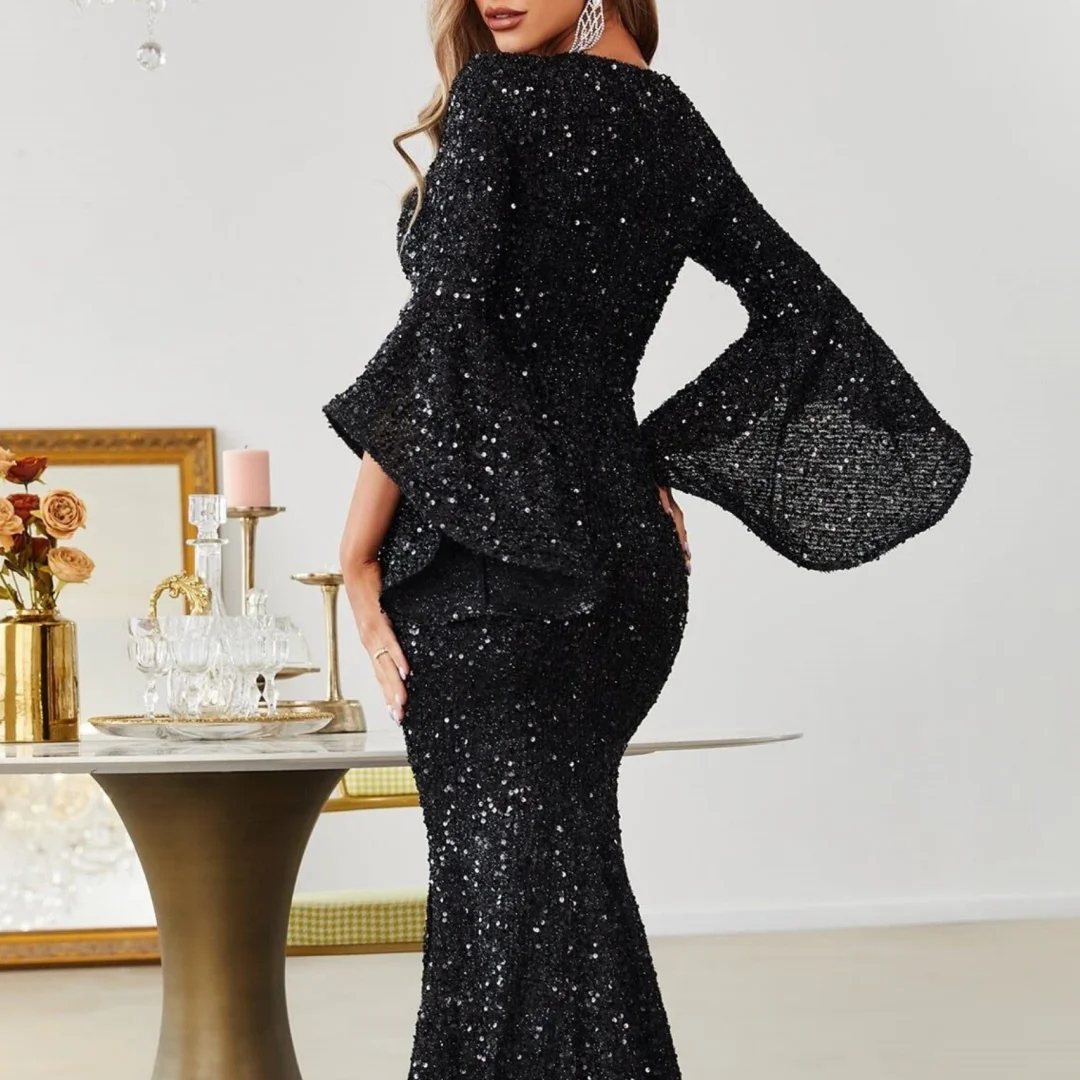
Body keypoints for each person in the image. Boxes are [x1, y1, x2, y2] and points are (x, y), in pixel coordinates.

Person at [323, 1, 971, 1075]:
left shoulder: (499, 97)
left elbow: (443, 334)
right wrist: (640, 457)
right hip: (627, 569)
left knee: (500, 909)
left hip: (492, 569)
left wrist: (354, 559)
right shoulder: (676, 125)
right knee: (562, 889)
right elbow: (801, 311)